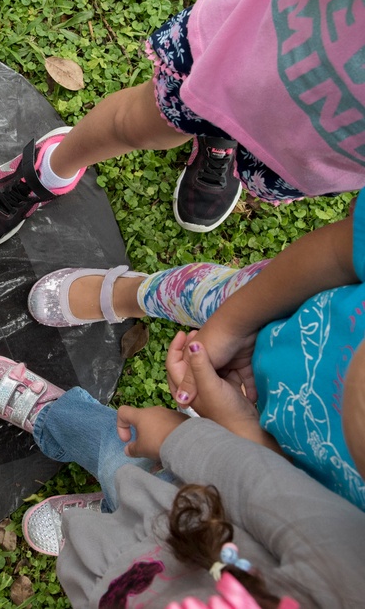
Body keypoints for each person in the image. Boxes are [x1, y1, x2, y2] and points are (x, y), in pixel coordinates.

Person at [0, 0, 365, 246]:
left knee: (249, 132)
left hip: (321, 141)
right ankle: (51, 167)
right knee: (137, 124)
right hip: (253, 45)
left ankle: (223, 138)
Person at [25, 182, 365, 509]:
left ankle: (121, 508)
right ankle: (132, 294)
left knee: (177, 501)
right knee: (198, 295)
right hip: (284, 295)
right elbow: (344, 247)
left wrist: (240, 425)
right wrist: (231, 325)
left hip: (264, 460)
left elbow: (301, 510)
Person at [0, 351, 365, 607]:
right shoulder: (350, 580)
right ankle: (53, 416)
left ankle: (110, 514)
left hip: (118, 588)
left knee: (98, 526)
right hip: (193, 510)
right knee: (116, 452)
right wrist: (174, 437)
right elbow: (261, 487)